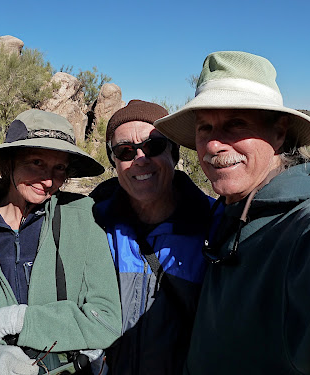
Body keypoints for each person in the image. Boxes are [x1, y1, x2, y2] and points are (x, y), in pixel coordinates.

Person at [154, 51, 310, 374]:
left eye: (235, 124)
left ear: (279, 133)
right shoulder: (230, 211)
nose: (213, 146)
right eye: (205, 128)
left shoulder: (309, 226)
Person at [0, 109, 122, 375]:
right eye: (36, 162)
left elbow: (107, 322)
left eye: (60, 168)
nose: (48, 180)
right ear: (7, 162)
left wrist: (15, 320)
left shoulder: (83, 221)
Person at [90, 100, 220, 374]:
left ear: (174, 153)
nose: (140, 159)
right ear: (114, 161)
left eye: (154, 146)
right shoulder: (95, 224)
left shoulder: (216, 227)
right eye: (125, 151)